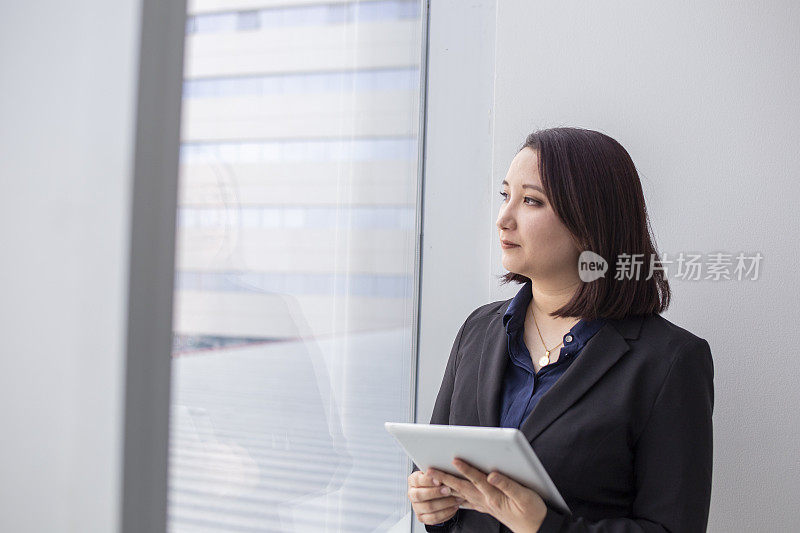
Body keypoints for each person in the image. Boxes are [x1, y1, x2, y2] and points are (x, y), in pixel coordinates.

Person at [406, 127, 714, 532]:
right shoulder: (479, 330)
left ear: (590, 222)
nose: (504, 218)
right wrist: (432, 504)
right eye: (505, 196)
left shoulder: (669, 361)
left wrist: (544, 526)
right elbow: (438, 466)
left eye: (531, 201)